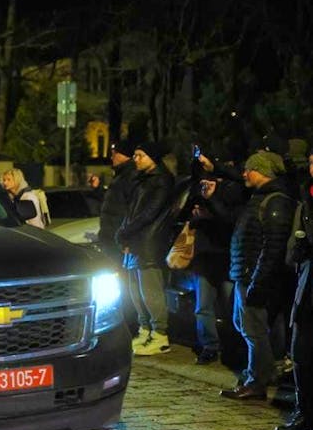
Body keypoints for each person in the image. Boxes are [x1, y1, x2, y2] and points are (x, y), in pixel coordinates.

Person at [220, 151, 297, 400]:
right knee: (246, 325)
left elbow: (273, 247)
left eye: (249, 169)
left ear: (262, 170)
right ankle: (260, 373)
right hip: (247, 273)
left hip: (253, 275)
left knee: (254, 329)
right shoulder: (261, 198)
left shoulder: (275, 201)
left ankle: (257, 381)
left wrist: (258, 281)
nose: (244, 173)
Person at [186, 154, 246, 365]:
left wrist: (212, 200)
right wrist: (196, 214)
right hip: (205, 255)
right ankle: (209, 346)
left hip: (226, 254)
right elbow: (186, 214)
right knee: (203, 306)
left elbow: (230, 219)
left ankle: (234, 346)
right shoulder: (200, 187)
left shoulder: (234, 189)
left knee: (231, 306)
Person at [117, 141, 175, 355]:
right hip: (134, 242)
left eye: (140, 155)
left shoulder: (161, 180)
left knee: (150, 291)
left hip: (149, 243)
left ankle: (159, 335)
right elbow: (132, 210)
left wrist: (126, 231)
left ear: (153, 158)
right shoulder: (142, 179)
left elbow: (149, 213)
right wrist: (125, 234)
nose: (136, 159)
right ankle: (145, 330)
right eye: (135, 155)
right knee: (134, 290)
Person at [275, 148, 313, 430]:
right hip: (308, 283)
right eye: (311, 162)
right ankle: (305, 413)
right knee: (301, 350)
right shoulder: (305, 198)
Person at [99, 140, 137, 264]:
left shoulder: (130, 175)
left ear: (123, 155)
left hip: (118, 236)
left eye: (114, 154)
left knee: (119, 270)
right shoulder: (122, 174)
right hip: (113, 235)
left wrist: (125, 237)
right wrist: (98, 189)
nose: (112, 157)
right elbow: (114, 200)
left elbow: (132, 208)